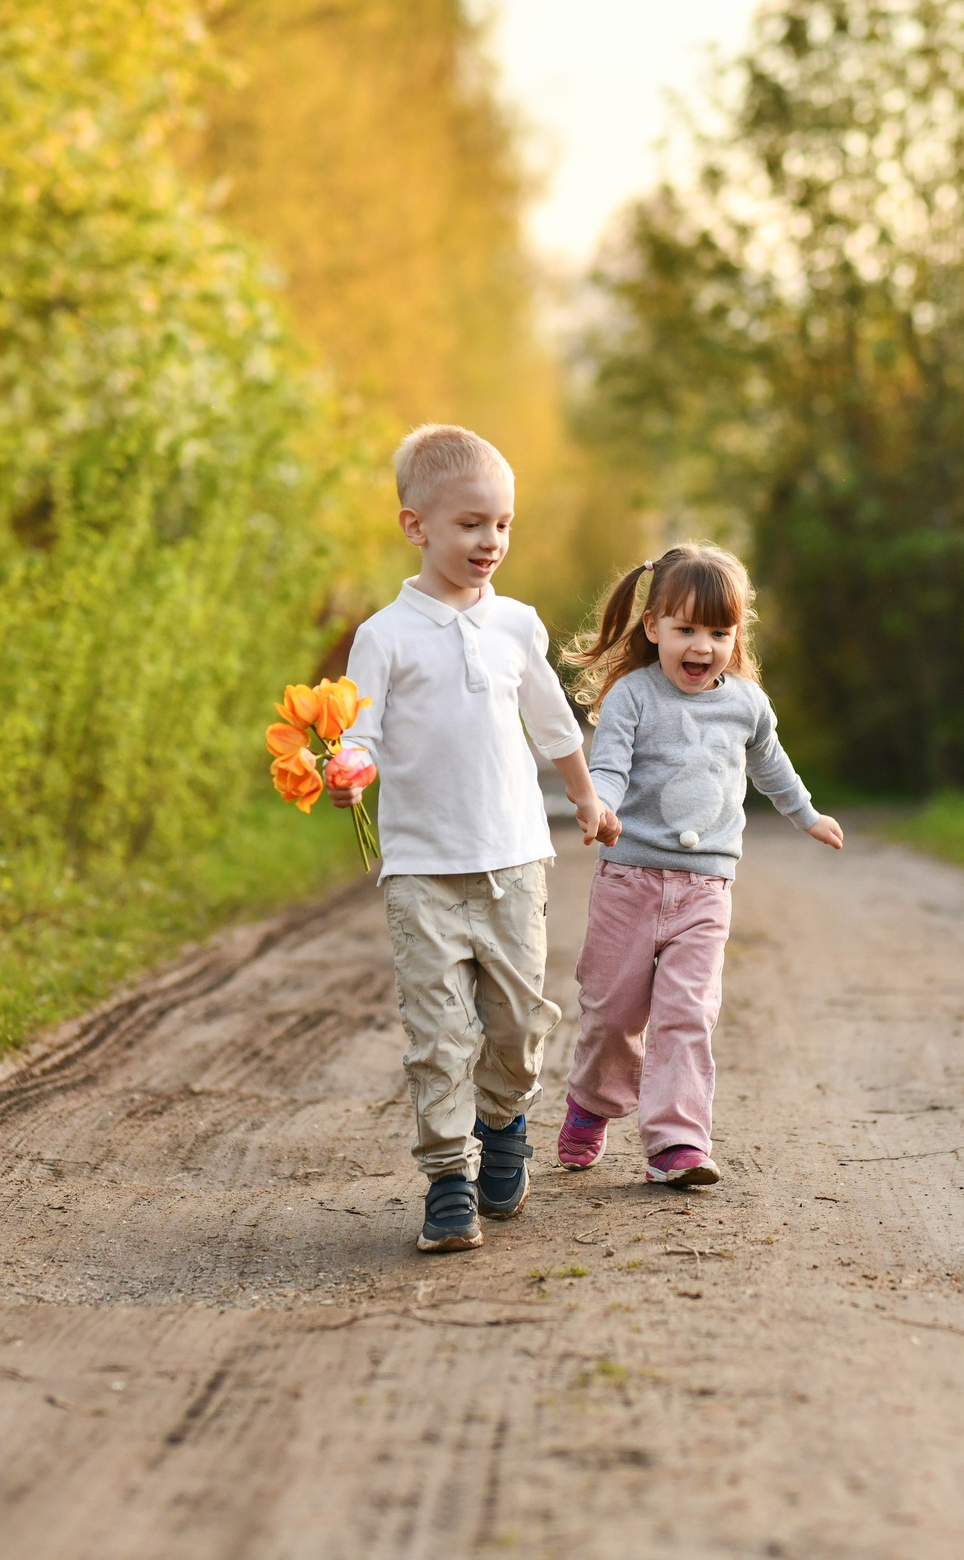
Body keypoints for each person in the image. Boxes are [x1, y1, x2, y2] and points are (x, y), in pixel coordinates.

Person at [330, 425, 619, 1254]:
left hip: (515, 861)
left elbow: (552, 723)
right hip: (422, 868)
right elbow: (364, 731)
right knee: (439, 1030)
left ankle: (504, 1124)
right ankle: (449, 1177)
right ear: (415, 526)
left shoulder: (516, 624)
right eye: (469, 524)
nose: (489, 540)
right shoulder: (385, 635)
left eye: (502, 524)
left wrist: (586, 797)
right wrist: (348, 764)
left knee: (520, 1022)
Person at [555, 544, 842, 1186]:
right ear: (654, 627)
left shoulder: (746, 704)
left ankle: (677, 1143)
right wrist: (597, 804)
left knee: (688, 1012)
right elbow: (610, 764)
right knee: (612, 1011)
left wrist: (806, 814)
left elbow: (772, 764)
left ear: (737, 635)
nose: (702, 646)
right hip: (629, 880)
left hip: (707, 888)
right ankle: (592, 1103)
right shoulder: (632, 696)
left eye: (719, 631)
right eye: (686, 629)